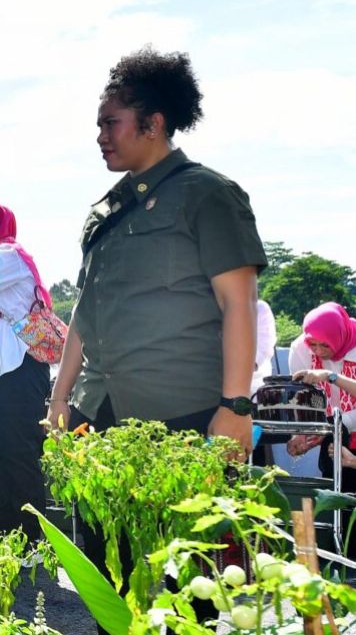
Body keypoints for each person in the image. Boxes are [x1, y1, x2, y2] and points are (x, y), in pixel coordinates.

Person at [44, 48, 265, 632]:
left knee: (191, 583)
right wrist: (60, 399)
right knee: (107, 578)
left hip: (185, 417)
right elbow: (84, 317)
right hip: (102, 419)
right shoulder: (105, 210)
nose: (99, 136)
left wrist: (236, 407)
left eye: (110, 122)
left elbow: (237, 303)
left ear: (154, 123)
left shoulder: (208, 194)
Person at [0, 200, 52, 540]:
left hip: (20, 372)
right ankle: (10, 532)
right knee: (1, 453)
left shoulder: (8, 255)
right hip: (0, 375)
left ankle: (33, 537)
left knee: (20, 455)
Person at [284, 303, 356, 491]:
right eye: (313, 344)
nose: (319, 351)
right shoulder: (300, 349)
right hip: (333, 434)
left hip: (339, 427)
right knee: (336, 499)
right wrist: (301, 433)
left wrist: (330, 376)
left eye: (325, 344)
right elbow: (301, 400)